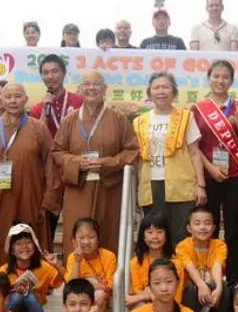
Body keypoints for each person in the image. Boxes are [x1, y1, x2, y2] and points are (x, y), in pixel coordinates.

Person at [51, 70, 138, 256]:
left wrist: (107, 163)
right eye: (87, 84)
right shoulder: (70, 120)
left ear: (105, 88)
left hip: (109, 188)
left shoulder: (118, 118)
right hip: (78, 187)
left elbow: (132, 150)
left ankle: (109, 280)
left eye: (96, 84)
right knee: (77, 233)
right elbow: (56, 152)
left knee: (107, 233)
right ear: (79, 89)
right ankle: (76, 280)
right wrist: (76, 163)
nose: (91, 88)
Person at [0, 82, 53, 267]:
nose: (13, 101)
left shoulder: (39, 129)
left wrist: (49, 198)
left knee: (28, 237)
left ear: (26, 100)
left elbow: (51, 165)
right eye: (8, 97)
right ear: (0, 100)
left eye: (17, 96)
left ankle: (31, 281)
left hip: (29, 196)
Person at [193, 60, 238, 287]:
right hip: (208, 176)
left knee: (234, 229)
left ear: (232, 81)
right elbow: (194, 147)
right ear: (208, 78)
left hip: (236, 175)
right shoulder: (198, 109)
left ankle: (234, 278)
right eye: (216, 76)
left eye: (225, 77)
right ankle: (208, 277)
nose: (220, 81)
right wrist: (210, 168)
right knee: (208, 229)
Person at [135, 72, 206, 241]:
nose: (161, 91)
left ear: (173, 91)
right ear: (149, 92)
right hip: (151, 185)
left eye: (165, 87)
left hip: (181, 185)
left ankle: (180, 268)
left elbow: (195, 152)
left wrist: (200, 185)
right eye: (156, 87)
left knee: (180, 235)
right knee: (155, 236)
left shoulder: (186, 117)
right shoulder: (139, 121)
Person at [32, 54, 84, 243]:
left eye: (55, 71)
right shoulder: (38, 108)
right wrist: (46, 108)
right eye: (45, 72)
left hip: (75, 167)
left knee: (78, 222)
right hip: (50, 172)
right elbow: (37, 137)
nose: (50, 76)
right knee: (48, 224)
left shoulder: (79, 101)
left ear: (63, 73)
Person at [0, 223, 63, 312]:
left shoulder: (44, 267)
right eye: (19, 243)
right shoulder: (4, 270)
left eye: (28, 242)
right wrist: (12, 290)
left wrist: (56, 265)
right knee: (17, 296)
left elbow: (65, 280)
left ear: (35, 245)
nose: (24, 246)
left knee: (29, 294)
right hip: (12, 306)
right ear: (11, 251)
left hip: (34, 305)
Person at [176, 206, 227, 312]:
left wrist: (219, 287)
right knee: (191, 288)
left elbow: (217, 265)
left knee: (225, 287)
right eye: (197, 223)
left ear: (214, 227)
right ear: (189, 228)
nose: (202, 227)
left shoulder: (219, 245)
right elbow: (189, 267)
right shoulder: (183, 246)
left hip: (213, 291)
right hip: (193, 292)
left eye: (207, 223)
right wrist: (201, 285)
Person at [63, 218, 116, 312]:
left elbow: (109, 286)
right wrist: (77, 261)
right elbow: (71, 285)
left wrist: (92, 287)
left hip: (103, 297)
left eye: (91, 237)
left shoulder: (109, 256)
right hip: (79, 296)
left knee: (99, 295)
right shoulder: (72, 258)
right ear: (74, 241)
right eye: (81, 238)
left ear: (98, 238)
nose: (86, 242)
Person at [126, 213, 179, 308]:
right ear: (143, 237)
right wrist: (143, 297)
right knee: (140, 306)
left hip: (171, 306)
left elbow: (175, 295)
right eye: (150, 232)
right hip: (145, 305)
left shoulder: (176, 263)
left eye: (159, 232)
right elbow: (137, 291)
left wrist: (146, 293)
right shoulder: (136, 263)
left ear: (166, 235)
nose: (155, 236)